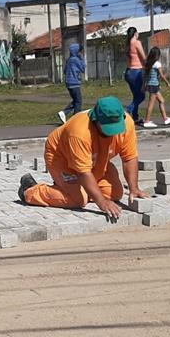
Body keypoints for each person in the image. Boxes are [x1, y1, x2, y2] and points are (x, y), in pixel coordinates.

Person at [19, 96, 147, 220]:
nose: (114, 133)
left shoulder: (128, 123)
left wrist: (134, 188)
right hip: (61, 157)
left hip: (94, 159)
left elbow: (129, 158)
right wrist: (102, 202)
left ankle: (72, 188)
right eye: (108, 128)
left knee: (116, 193)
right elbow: (83, 173)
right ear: (96, 120)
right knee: (78, 200)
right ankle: (30, 191)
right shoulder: (80, 132)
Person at [141, 47, 170, 128]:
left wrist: (143, 85)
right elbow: (161, 75)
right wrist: (167, 83)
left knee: (162, 101)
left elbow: (145, 76)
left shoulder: (148, 63)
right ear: (157, 55)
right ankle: (147, 121)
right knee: (151, 104)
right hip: (154, 86)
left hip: (152, 85)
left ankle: (165, 119)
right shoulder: (157, 64)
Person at [123, 27, 147, 124]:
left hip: (128, 72)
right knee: (141, 96)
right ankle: (128, 110)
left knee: (136, 96)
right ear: (135, 33)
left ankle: (135, 117)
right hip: (136, 71)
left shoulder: (128, 44)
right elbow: (143, 57)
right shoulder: (136, 42)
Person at [58, 43, 86, 124]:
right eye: (79, 51)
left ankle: (64, 112)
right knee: (79, 102)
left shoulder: (69, 60)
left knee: (76, 100)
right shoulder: (76, 60)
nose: (80, 53)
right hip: (75, 83)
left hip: (68, 83)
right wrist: (81, 59)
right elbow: (83, 69)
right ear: (76, 52)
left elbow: (64, 71)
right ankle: (76, 120)